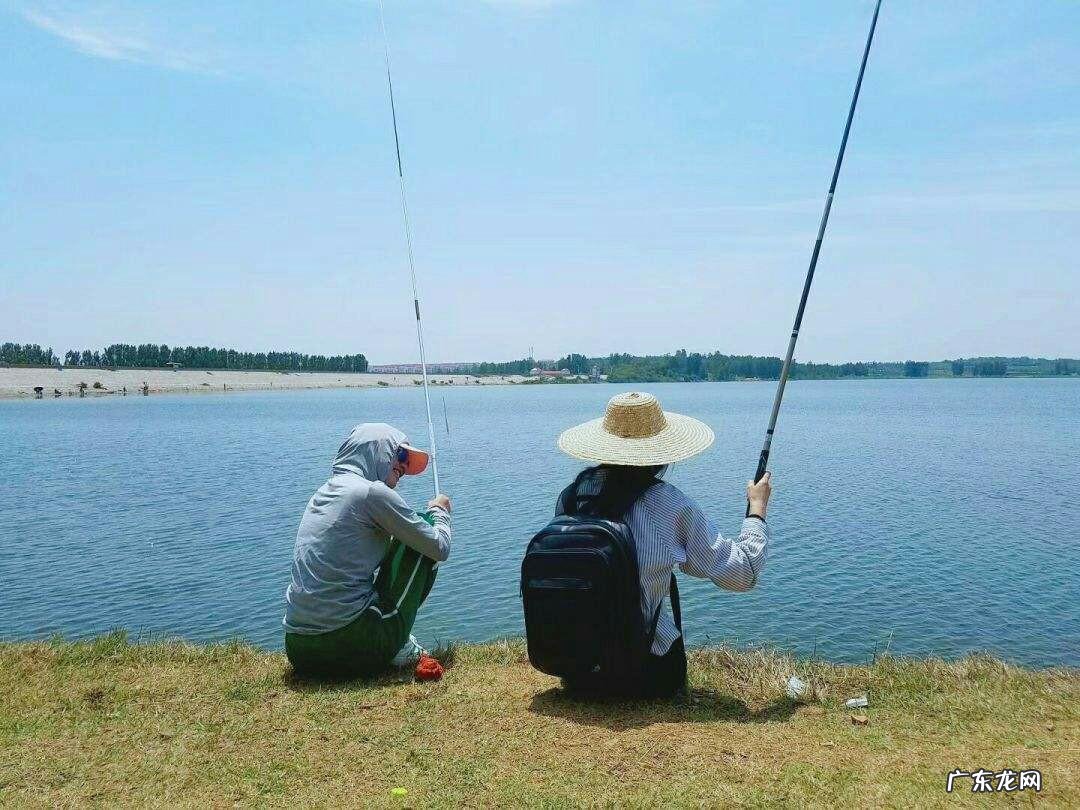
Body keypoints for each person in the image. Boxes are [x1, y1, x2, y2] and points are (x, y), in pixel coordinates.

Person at [551, 391, 772, 698]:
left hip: (574, 669)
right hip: (641, 673)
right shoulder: (667, 503)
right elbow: (742, 574)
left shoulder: (571, 496)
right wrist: (757, 509)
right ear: (661, 452)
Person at [283, 423, 451, 679]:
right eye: (401, 454)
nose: (404, 465)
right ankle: (397, 643)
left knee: (409, 537)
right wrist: (440, 512)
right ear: (377, 452)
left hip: (299, 649)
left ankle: (387, 631)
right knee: (423, 534)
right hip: (351, 643)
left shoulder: (324, 492)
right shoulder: (371, 493)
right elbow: (439, 547)